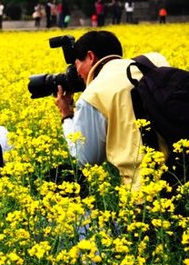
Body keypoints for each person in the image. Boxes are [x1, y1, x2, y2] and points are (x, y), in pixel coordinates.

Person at [54, 30, 170, 192]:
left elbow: (86, 159)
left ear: (90, 57)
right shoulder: (154, 61)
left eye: (76, 64)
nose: (76, 72)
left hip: (145, 192)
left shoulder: (93, 94)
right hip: (181, 174)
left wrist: (66, 115)